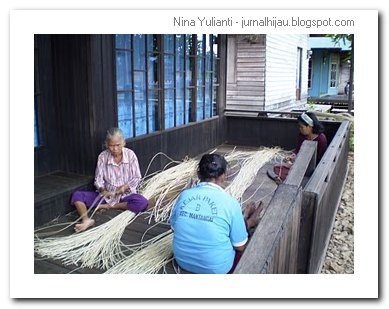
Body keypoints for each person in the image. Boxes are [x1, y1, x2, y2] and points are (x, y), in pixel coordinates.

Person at [170, 153, 261, 274]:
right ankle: (248, 221)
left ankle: (247, 219)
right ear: (223, 176)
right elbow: (240, 246)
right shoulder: (230, 202)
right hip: (216, 269)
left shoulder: (184, 195)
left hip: (182, 261)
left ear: (198, 174)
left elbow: (174, 228)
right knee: (243, 243)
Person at [70, 127, 148, 233]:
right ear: (107, 144)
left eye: (118, 145)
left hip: (126, 195)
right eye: (111, 145)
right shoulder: (103, 156)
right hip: (106, 196)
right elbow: (98, 180)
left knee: (142, 202)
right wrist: (103, 191)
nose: (115, 149)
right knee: (77, 195)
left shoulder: (130, 155)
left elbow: (137, 177)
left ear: (123, 143)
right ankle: (86, 220)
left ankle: (110, 206)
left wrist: (125, 187)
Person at [267, 112, 328, 184]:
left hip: (312, 169)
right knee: (276, 167)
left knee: (296, 173)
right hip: (299, 164)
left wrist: (298, 163)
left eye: (302, 127)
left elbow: (320, 159)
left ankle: (288, 178)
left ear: (310, 127)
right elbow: (298, 150)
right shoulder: (302, 136)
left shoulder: (321, 139)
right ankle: (289, 177)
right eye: (299, 127)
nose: (300, 129)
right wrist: (292, 157)